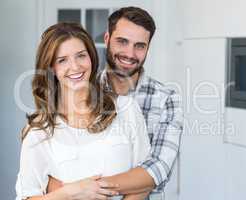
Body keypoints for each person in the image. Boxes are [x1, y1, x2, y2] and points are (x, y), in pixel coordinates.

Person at [48, 6, 183, 200]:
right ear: (107, 39)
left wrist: (87, 190)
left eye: (140, 45)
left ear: (147, 48)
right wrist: (74, 191)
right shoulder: (79, 89)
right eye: (122, 41)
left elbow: (156, 170)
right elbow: (49, 166)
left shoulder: (167, 99)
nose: (130, 53)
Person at [15, 22, 152, 200]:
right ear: (51, 69)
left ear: (91, 58)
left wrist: (93, 188)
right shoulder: (38, 130)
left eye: (81, 56)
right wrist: (71, 192)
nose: (75, 66)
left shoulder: (126, 109)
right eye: (62, 60)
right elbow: (27, 195)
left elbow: (146, 180)